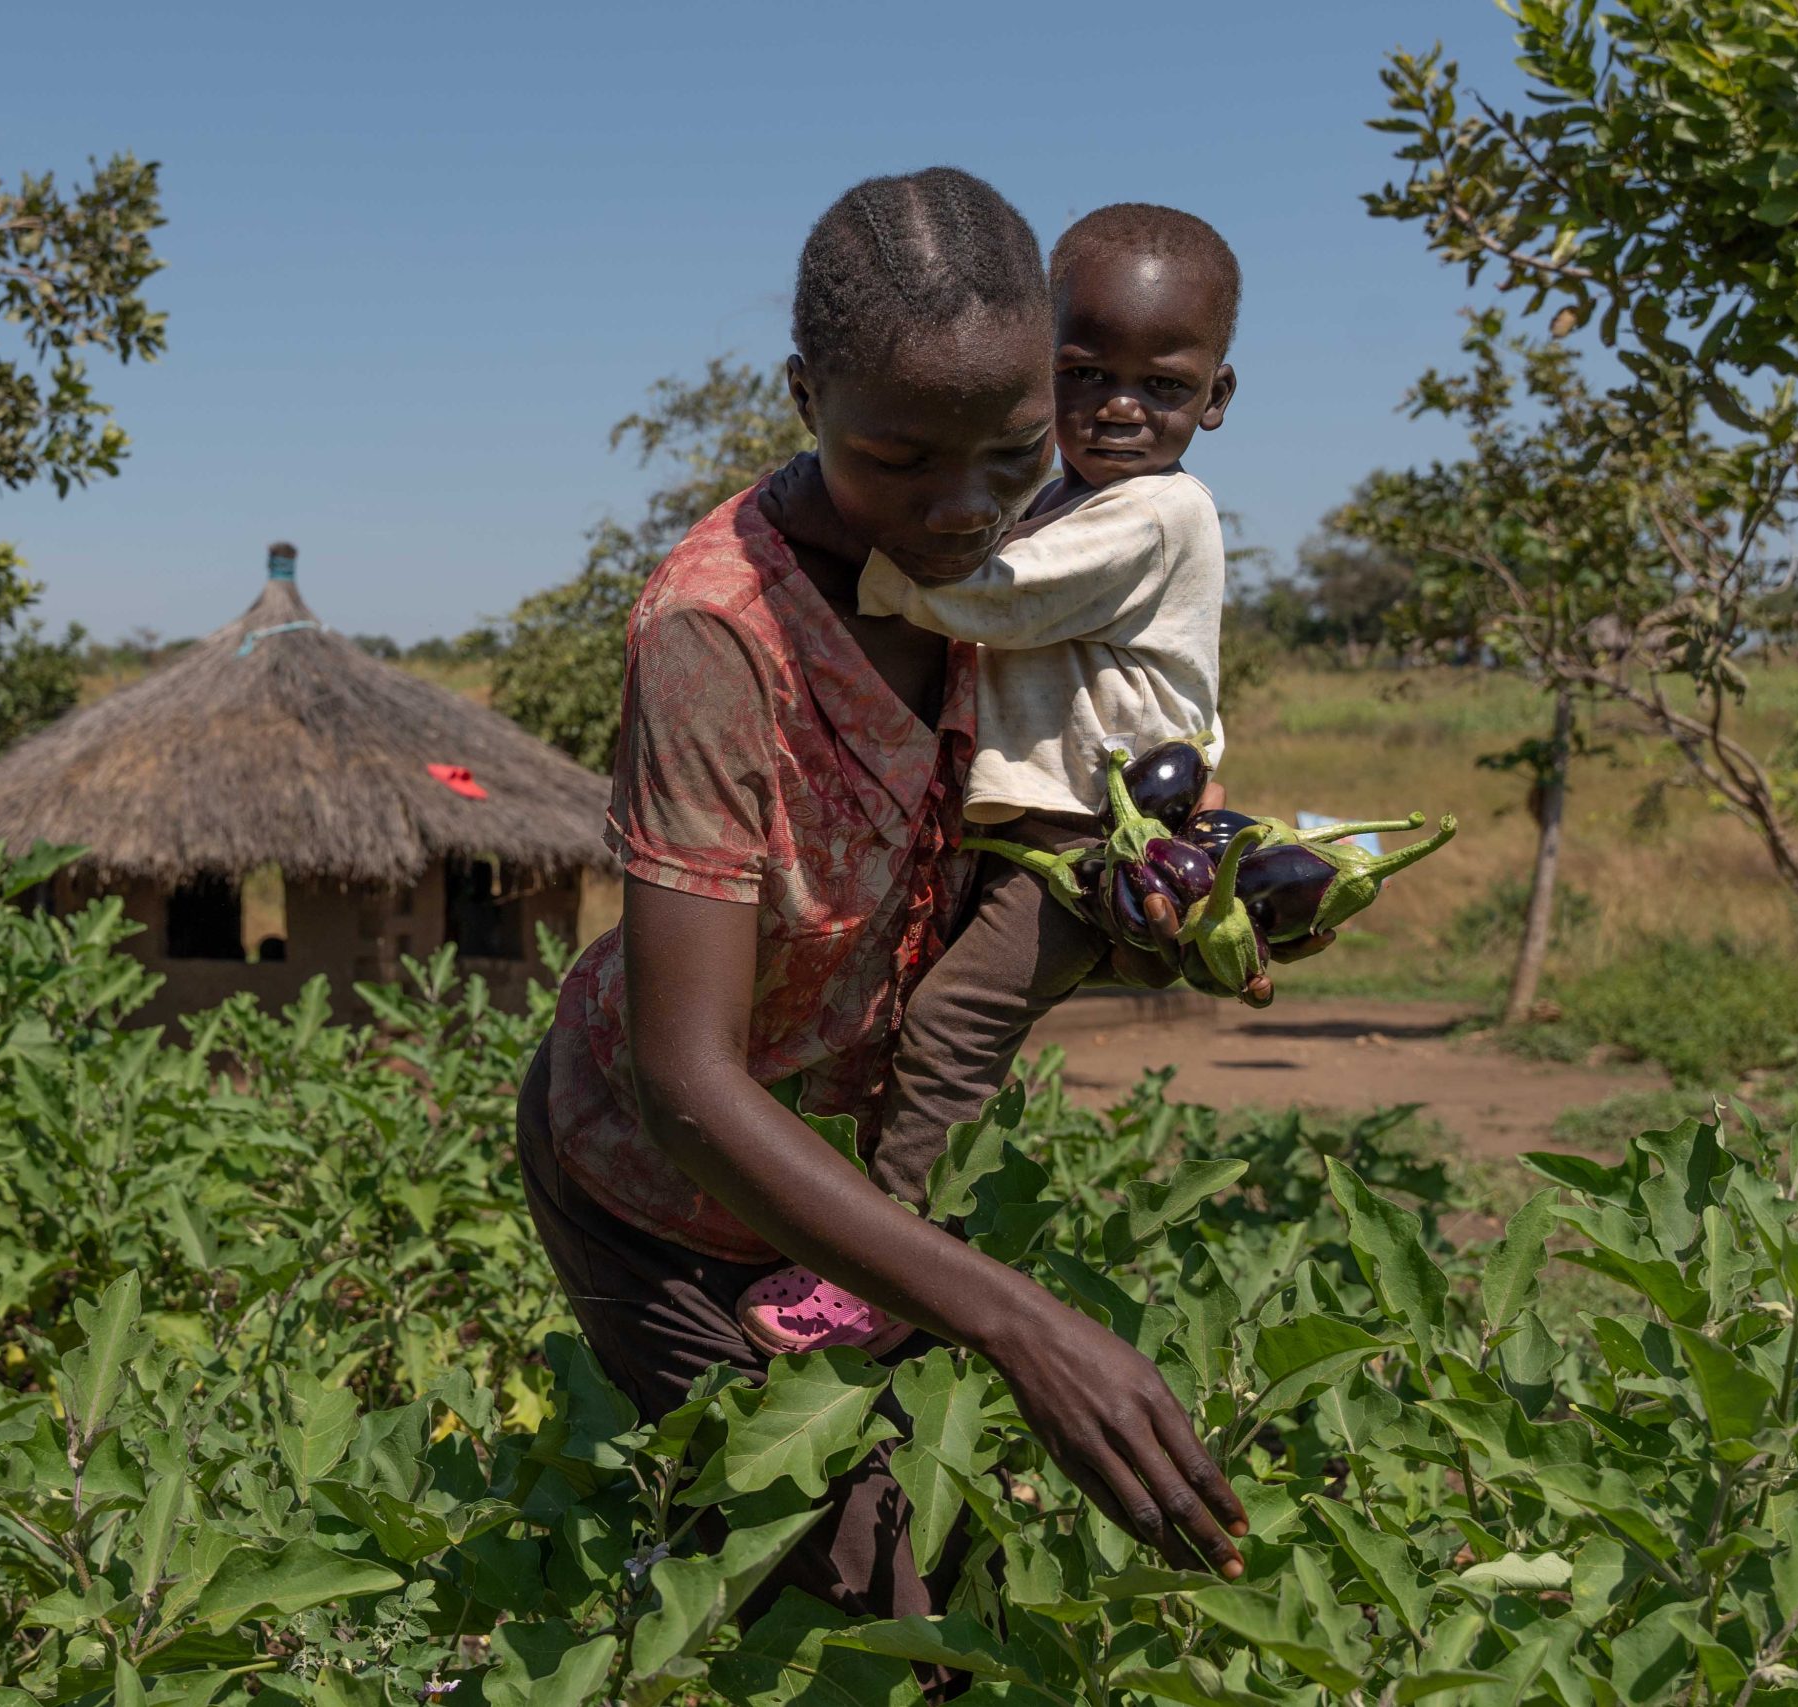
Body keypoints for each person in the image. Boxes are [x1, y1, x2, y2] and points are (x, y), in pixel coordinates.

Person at [516, 167, 1249, 1633]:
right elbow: (686, 1082)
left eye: (1009, 450)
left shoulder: (1033, 558)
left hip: (853, 1201)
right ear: (804, 395)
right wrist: (1016, 1316)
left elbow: (1034, 834)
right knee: (871, 1613)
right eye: (899, 458)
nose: (962, 507)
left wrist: (1181, 895)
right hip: (671, 1195)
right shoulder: (719, 635)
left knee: (933, 1587)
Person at [738, 204, 1246, 1359]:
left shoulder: (1158, 513)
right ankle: (865, 1230)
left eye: (1159, 388)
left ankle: (896, 1269)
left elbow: (992, 594)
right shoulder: (1066, 498)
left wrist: (821, 537)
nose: (1119, 406)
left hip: (1095, 841)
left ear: (1214, 400)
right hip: (1022, 830)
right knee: (900, 1022)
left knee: (956, 1025)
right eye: (1083, 374)